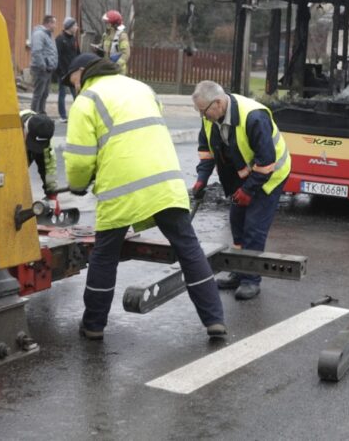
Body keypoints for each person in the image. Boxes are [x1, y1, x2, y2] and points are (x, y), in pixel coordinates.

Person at [61, 53, 225, 340]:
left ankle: (94, 325)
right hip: (166, 182)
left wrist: (78, 185)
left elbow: (78, 159)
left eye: (72, 79)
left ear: (83, 72)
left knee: (104, 256)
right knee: (189, 249)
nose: (73, 86)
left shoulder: (87, 100)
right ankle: (215, 321)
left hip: (122, 189)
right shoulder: (141, 88)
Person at [190, 80, 291, 301]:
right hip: (243, 173)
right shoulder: (210, 118)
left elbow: (266, 163)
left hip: (269, 176)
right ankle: (238, 270)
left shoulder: (254, 117)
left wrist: (248, 191)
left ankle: (251, 280)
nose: (202, 117)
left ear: (217, 103)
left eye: (204, 111)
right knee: (237, 222)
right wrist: (201, 180)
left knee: (254, 227)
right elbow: (206, 151)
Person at [19, 109, 57, 195]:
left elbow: (49, 167)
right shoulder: (11, 127)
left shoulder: (45, 131)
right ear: (26, 129)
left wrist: (52, 193)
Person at [29, 15, 57, 114]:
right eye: (54, 23)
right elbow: (36, 51)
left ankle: (41, 113)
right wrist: (43, 66)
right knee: (38, 94)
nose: (55, 26)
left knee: (44, 93)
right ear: (48, 23)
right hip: (40, 69)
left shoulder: (48, 35)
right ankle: (33, 115)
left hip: (47, 69)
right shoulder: (39, 34)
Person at [54, 17, 80, 123]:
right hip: (64, 72)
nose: (77, 27)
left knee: (77, 94)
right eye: (75, 25)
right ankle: (63, 115)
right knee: (62, 94)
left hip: (74, 71)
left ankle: (78, 114)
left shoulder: (74, 39)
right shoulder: (60, 39)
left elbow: (78, 54)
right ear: (69, 27)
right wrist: (61, 71)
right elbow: (57, 56)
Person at [96, 10, 130, 74]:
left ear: (113, 24)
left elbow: (126, 53)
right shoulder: (105, 35)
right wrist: (98, 47)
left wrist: (116, 65)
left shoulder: (122, 36)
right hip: (107, 68)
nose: (106, 24)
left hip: (118, 71)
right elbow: (103, 45)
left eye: (107, 22)